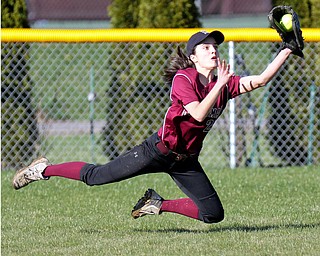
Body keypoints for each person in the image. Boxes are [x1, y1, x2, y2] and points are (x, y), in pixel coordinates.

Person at [13, 30, 294, 224]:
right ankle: (42, 170)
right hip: (156, 151)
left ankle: (158, 204)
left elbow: (260, 80)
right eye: (206, 47)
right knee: (96, 176)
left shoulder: (224, 83)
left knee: (212, 214)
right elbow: (196, 114)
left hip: (186, 160)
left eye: (215, 46)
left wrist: (286, 50)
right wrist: (220, 84)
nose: (213, 50)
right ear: (194, 57)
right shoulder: (184, 79)